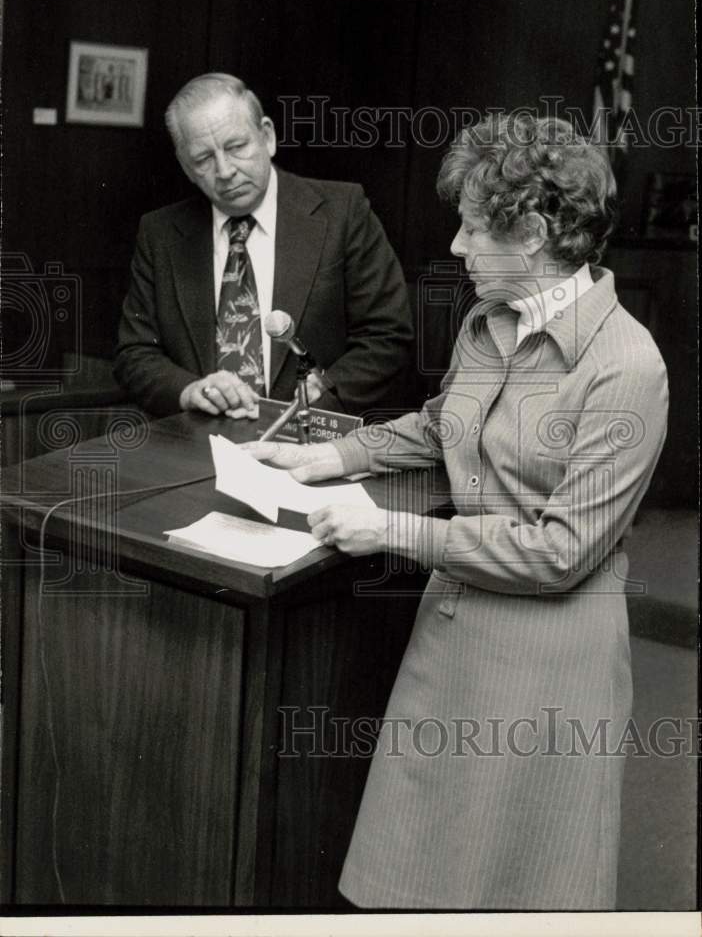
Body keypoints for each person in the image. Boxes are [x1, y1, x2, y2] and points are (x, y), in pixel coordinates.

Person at [243, 113, 669, 909]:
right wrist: (335, 455)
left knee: (510, 892)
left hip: (548, 669)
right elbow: (444, 424)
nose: (457, 246)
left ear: (533, 233)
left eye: (473, 228)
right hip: (452, 635)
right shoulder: (488, 318)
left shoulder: (627, 366)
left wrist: (392, 530)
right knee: (410, 878)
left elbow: (560, 552)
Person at [114, 73, 413, 418]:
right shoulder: (161, 234)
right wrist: (190, 391)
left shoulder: (342, 212)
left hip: (312, 432)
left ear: (267, 137)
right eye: (203, 159)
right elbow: (134, 354)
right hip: (201, 435)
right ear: (186, 167)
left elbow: (387, 335)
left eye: (236, 147)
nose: (225, 171)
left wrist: (328, 389)